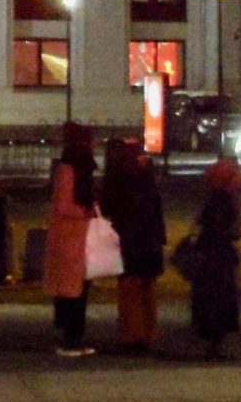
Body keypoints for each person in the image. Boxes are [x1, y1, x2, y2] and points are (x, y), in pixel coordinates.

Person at [100, 139, 167, 354]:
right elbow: (156, 208)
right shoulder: (146, 177)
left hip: (130, 238)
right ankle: (148, 332)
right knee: (147, 288)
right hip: (149, 238)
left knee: (130, 289)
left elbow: (107, 206)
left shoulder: (117, 178)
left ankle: (131, 334)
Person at [47, 122, 97, 357]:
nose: (94, 145)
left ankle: (74, 337)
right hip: (70, 237)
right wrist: (86, 212)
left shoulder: (81, 169)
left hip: (79, 236)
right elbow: (63, 205)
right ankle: (70, 340)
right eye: (90, 141)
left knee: (78, 289)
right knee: (72, 290)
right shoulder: (68, 170)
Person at [189, 155, 241, 360]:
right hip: (218, 256)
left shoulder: (214, 197)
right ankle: (214, 343)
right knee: (219, 299)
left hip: (211, 254)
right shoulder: (223, 199)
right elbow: (227, 229)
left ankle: (211, 341)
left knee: (210, 299)